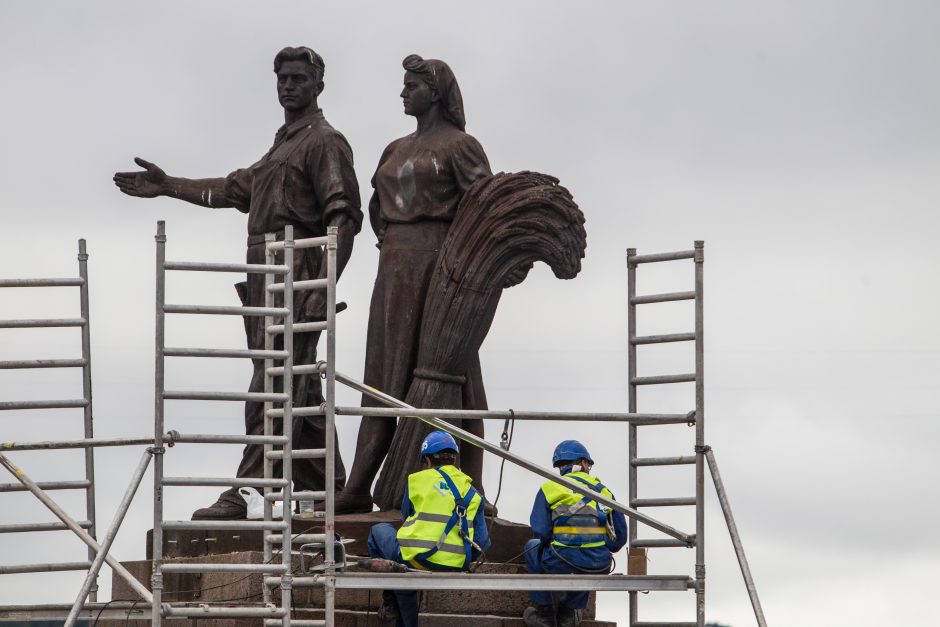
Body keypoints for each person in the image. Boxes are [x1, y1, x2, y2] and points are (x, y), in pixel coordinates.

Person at [113, 46, 362, 519]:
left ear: (317, 85)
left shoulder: (324, 141)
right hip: (265, 276)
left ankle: (249, 489)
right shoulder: (283, 145)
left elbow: (344, 218)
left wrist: (321, 289)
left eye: (297, 79)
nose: (287, 86)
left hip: (298, 272)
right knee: (299, 385)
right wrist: (169, 186)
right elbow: (232, 190)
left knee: (272, 382)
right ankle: (326, 488)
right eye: (282, 79)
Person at [336, 54, 492, 514]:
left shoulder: (461, 146)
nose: (403, 93)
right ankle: (361, 481)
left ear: (436, 92)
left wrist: (452, 260)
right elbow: (376, 207)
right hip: (393, 268)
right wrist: (393, 241)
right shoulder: (394, 148)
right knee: (383, 372)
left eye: (412, 86)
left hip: (440, 268)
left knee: (455, 375)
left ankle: (472, 485)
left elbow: (484, 206)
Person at [367, 430, 490, 627]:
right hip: (457, 564)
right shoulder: (474, 492)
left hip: (418, 561)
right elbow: (483, 542)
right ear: (454, 459)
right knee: (404, 564)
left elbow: (408, 518)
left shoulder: (417, 480)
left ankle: (391, 603)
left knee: (379, 531)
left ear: (427, 459)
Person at [523, 440, 628, 627]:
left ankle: (545, 614)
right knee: (590, 558)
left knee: (532, 547)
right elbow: (618, 541)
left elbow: (541, 532)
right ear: (583, 463)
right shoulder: (604, 492)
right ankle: (569, 613)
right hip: (598, 565)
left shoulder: (550, 488)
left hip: (559, 561)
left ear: (561, 466)